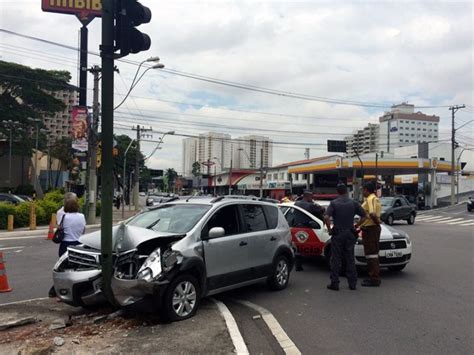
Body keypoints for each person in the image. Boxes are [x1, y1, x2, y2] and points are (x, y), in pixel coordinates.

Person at [324, 184, 366, 291]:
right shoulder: (353, 203)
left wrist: (329, 229)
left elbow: (326, 217)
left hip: (338, 233)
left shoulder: (334, 203)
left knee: (336, 259)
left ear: (337, 192)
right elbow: (365, 216)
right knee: (350, 258)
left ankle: (335, 283)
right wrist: (356, 226)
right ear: (347, 191)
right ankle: (352, 283)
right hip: (349, 233)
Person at [357, 182, 382, 287]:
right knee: (372, 253)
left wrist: (377, 223)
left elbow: (371, 214)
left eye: (363, 190)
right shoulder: (374, 198)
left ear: (366, 190)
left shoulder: (370, 199)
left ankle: (374, 279)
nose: (362, 192)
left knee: (371, 254)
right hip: (370, 229)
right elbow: (367, 216)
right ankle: (373, 276)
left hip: (371, 229)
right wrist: (357, 225)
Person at [293, 190, 325, 271]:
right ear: (308, 196)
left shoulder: (296, 203)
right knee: (307, 246)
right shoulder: (311, 205)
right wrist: (318, 206)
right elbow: (322, 211)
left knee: (299, 247)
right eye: (311, 197)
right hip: (307, 228)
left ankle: (298, 265)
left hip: (296, 228)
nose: (312, 198)